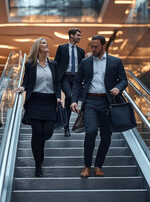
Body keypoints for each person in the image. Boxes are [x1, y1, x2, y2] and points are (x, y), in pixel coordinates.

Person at [70, 35, 127, 178]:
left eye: (96, 46)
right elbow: (77, 82)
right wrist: (74, 100)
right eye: (91, 46)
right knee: (90, 132)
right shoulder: (85, 62)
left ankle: (98, 166)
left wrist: (118, 88)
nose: (93, 49)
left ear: (103, 46)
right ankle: (87, 165)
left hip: (107, 103)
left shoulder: (116, 61)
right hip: (90, 101)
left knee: (106, 136)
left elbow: (124, 80)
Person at [14, 37, 62, 178]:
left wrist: (59, 96)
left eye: (47, 43)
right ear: (37, 47)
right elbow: (26, 81)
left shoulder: (53, 64)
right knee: (36, 132)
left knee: (47, 132)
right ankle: (38, 166)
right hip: (35, 101)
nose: (47, 45)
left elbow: (57, 83)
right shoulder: (30, 64)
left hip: (50, 102)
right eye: (43, 43)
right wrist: (22, 88)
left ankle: (40, 147)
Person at [54, 28, 85, 137]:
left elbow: (83, 67)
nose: (79, 37)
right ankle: (66, 127)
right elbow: (56, 63)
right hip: (65, 78)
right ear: (71, 35)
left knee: (70, 100)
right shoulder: (62, 48)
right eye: (78, 35)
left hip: (76, 79)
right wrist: (55, 78)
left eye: (80, 35)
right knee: (70, 96)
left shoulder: (81, 51)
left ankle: (66, 126)